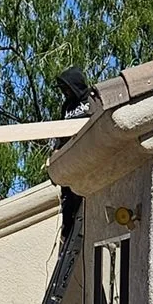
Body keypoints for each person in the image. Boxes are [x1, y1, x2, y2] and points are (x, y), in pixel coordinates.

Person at [54, 67, 93, 245]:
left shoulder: (91, 100)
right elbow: (61, 134)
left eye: (67, 88)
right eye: (63, 89)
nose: (65, 92)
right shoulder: (67, 107)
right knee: (69, 203)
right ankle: (67, 236)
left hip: (87, 159)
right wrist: (56, 153)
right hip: (69, 162)